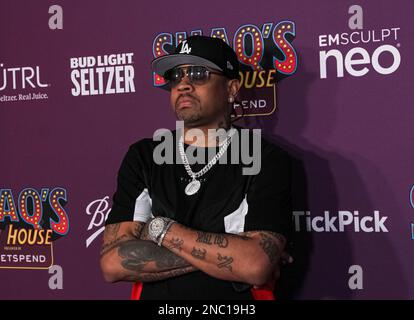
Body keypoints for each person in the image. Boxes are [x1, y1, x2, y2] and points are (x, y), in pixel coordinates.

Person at [100, 35, 293, 300]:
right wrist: (231, 256)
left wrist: (158, 230)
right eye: (176, 76)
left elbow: (254, 266)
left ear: (232, 88)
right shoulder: (144, 155)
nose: (183, 85)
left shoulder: (265, 158)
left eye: (199, 74)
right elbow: (113, 263)